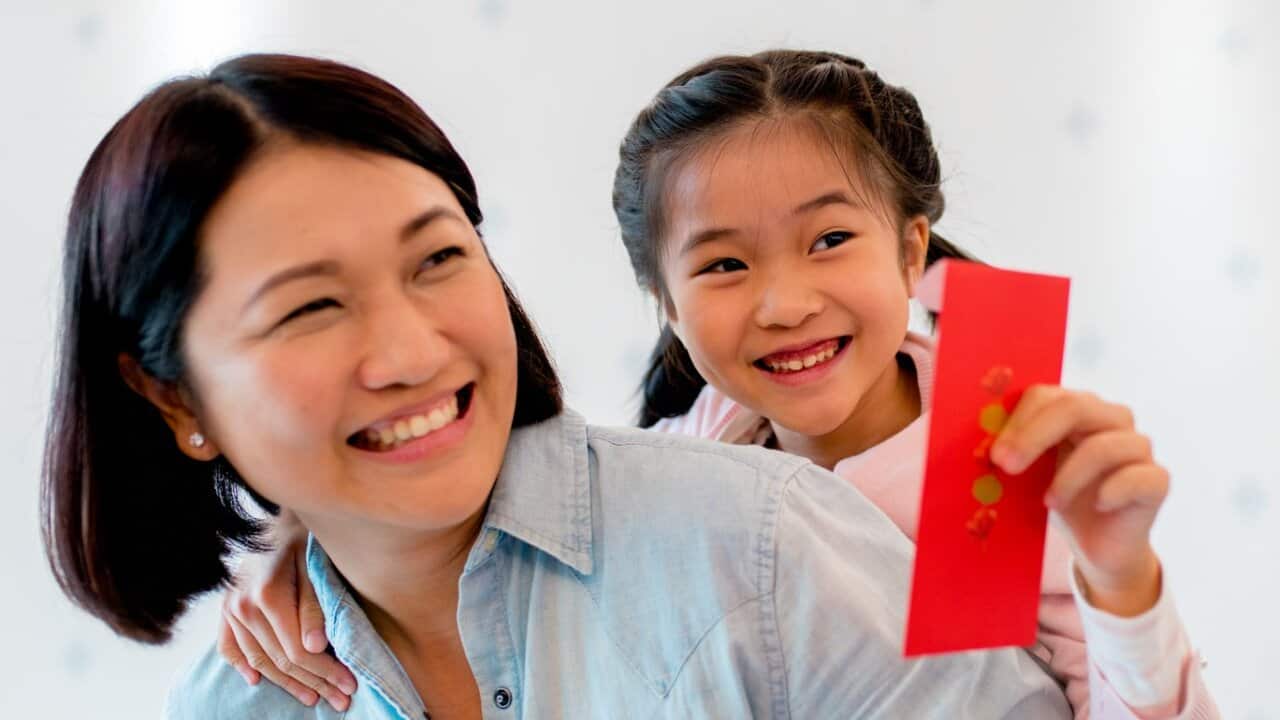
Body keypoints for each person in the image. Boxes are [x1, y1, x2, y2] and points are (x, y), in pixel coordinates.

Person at [42, 53, 1071, 718]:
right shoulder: (238, 697)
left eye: (438, 259)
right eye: (312, 307)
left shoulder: (762, 539)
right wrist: (294, 536)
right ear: (173, 398)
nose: (408, 351)